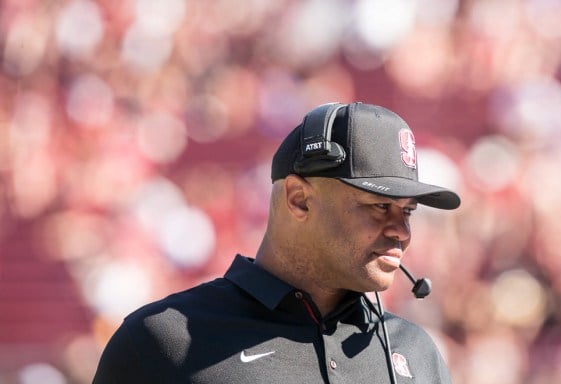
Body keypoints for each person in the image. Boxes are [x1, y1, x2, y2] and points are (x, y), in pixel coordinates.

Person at [92, 102, 460, 383]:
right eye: (380, 206)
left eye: (407, 212)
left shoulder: (416, 353)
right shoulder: (161, 341)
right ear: (299, 199)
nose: (402, 232)